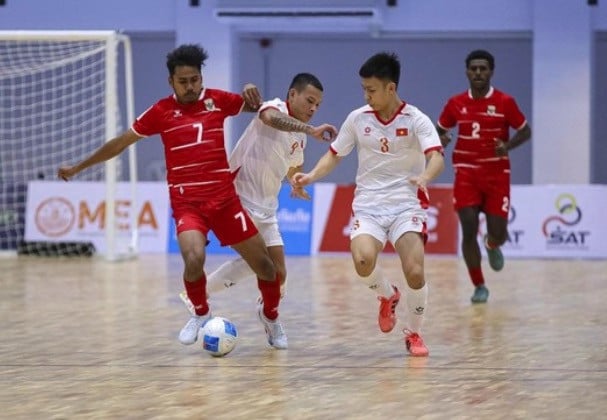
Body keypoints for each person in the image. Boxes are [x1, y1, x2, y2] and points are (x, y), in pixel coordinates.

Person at [57, 44, 285, 349]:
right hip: (187, 203)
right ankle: (201, 314)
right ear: (171, 82)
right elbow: (120, 143)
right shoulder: (160, 112)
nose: (190, 87)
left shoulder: (218, 100)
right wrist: (78, 167)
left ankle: (270, 317)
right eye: (183, 82)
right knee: (194, 258)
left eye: (195, 80)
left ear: (201, 78)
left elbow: (260, 108)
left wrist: (250, 89)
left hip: (224, 201)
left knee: (267, 267)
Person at [291, 52, 444, 357]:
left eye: (371, 90)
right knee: (362, 262)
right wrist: (310, 176)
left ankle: (414, 333)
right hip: (369, 205)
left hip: (406, 205)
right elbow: (334, 155)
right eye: (363, 89)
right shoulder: (357, 118)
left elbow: (436, 156)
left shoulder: (416, 119)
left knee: (415, 271)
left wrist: (426, 176)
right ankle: (388, 295)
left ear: (391, 88)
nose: (366, 96)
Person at [181, 73, 337, 349]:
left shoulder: (300, 138)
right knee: (259, 263)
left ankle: (266, 313)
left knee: (279, 273)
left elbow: (292, 166)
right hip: (237, 198)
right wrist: (310, 129)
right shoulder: (274, 107)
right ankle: (199, 298)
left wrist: (296, 181)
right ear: (292, 95)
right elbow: (270, 119)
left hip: (267, 208)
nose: (313, 108)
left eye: (318, 105)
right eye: (309, 101)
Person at [436, 49, 531, 304]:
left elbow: (526, 131)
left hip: (496, 174)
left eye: (483, 68)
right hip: (466, 173)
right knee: (468, 228)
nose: (478, 72)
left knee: (498, 232)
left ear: (491, 72)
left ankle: (492, 244)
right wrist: (440, 140)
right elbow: (439, 130)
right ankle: (479, 285)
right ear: (467, 72)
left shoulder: (505, 102)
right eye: (474, 68)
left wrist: (507, 146)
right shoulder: (456, 103)